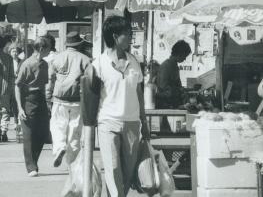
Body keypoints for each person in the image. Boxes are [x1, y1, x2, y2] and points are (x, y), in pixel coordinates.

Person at [88, 15, 150, 197]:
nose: (131, 38)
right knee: (113, 168)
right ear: (115, 36)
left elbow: (139, 94)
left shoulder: (134, 62)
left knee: (128, 170)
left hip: (132, 123)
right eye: (128, 34)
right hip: (108, 122)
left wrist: (144, 122)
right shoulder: (98, 64)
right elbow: (90, 98)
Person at [50, 31, 90, 168]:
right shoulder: (85, 59)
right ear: (79, 44)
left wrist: (48, 96)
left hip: (59, 99)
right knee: (75, 132)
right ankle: (72, 164)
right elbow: (90, 81)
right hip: (77, 100)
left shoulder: (57, 58)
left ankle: (60, 147)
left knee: (57, 126)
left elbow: (50, 79)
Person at [15, 37, 51, 177]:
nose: (50, 51)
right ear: (41, 49)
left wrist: (46, 103)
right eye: (48, 48)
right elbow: (17, 86)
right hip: (28, 99)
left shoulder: (45, 65)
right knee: (29, 134)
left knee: (43, 132)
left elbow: (44, 85)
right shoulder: (27, 64)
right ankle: (31, 167)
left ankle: (33, 161)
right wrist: (20, 108)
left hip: (40, 99)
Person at [156, 40, 192, 109]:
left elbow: (178, 85)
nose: (184, 59)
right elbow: (163, 88)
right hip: (165, 104)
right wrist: (178, 91)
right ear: (179, 54)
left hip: (173, 103)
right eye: (184, 56)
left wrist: (184, 90)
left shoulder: (175, 66)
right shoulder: (166, 66)